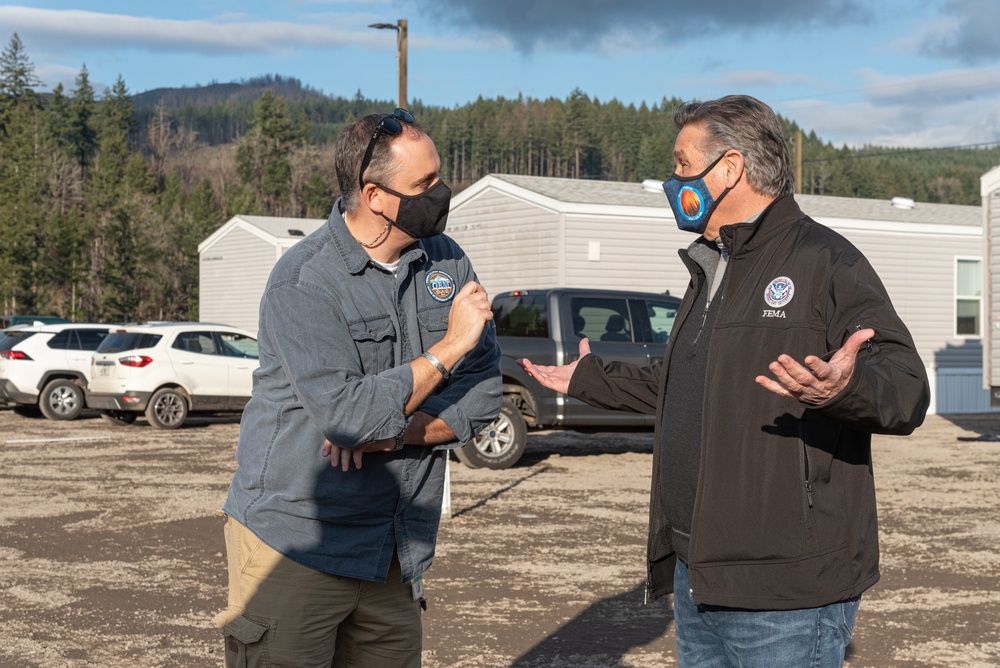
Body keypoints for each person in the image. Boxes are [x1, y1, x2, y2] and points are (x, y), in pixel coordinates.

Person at [519, 95, 929, 667]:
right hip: (699, 576)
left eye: (683, 165)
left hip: (784, 592)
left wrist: (845, 388)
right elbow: (684, 383)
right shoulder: (713, 265)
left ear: (730, 168)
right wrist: (590, 378)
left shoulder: (825, 259)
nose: (674, 180)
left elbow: (907, 385)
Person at [214, 108, 502, 667]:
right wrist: (449, 347)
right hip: (297, 545)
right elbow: (349, 419)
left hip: (395, 550)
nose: (442, 193)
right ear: (374, 195)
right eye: (425, 184)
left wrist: (392, 434)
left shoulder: (445, 259)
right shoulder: (305, 280)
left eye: (439, 177)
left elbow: (486, 390)